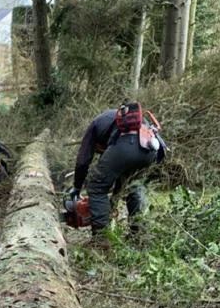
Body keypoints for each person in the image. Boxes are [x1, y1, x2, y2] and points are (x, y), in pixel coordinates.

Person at [68, 103, 166, 243]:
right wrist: (111, 202)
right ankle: (139, 236)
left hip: (128, 146)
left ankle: (101, 241)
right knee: (133, 187)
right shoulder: (122, 122)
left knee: (96, 187)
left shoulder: (95, 126)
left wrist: (77, 187)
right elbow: (119, 174)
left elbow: (83, 161)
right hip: (149, 151)